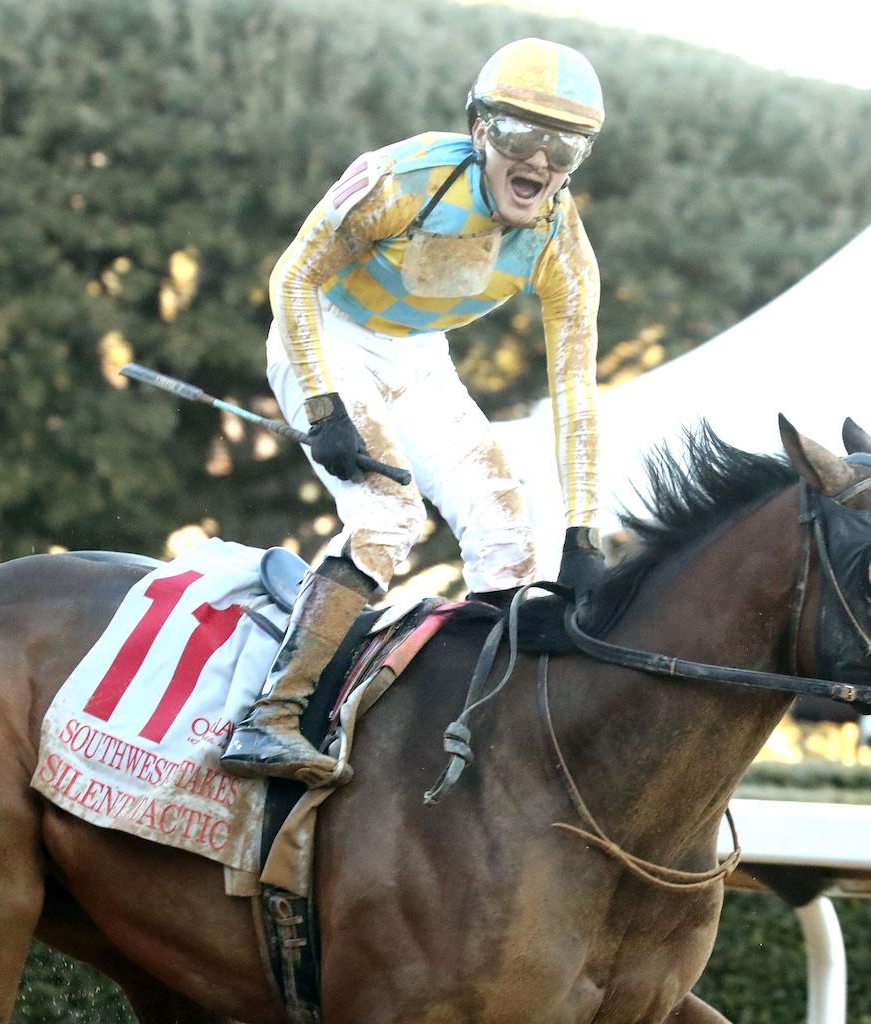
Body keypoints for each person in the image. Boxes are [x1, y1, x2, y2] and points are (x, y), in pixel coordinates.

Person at [220, 38, 607, 786]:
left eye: (566, 148)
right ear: (481, 131)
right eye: (524, 137)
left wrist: (583, 527)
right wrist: (324, 403)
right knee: (390, 516)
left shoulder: (561, 242)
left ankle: (487, 731)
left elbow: (576, 390)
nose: (542, 165)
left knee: (509, 536)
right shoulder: (404, 178)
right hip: (324, 333)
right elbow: (294, 277)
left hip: (419, 357)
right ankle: (270, 716)